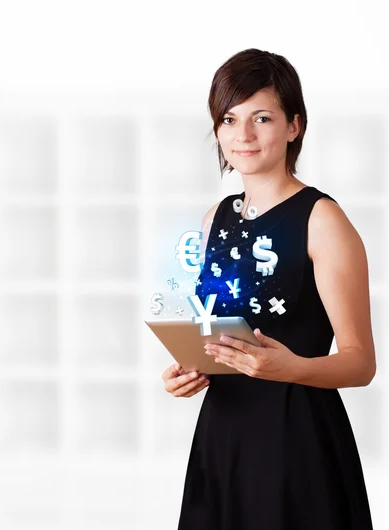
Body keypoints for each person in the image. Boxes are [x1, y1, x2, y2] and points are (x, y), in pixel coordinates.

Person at [161, 49, 376, 529]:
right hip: (222, 438)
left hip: (296, 442)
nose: (243, 135)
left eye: (262, 117)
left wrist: (292, 366)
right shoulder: (215, 217)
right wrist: (189, 370)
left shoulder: (322, 221)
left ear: (294, 125)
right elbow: (219, 336)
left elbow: (361, 362)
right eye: (229, 119)